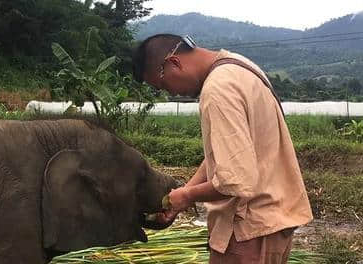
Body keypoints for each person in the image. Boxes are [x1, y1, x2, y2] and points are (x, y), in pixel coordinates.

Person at [132, 34, 313, 263]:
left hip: (247, 231)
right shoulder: (240, 67)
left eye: (163, 85)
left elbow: (235, 180)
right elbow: (228, 154)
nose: (171, 93)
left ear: (174, 62)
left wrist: (187, 195)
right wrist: (185, 193)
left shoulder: (217, 90)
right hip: (273, 224)